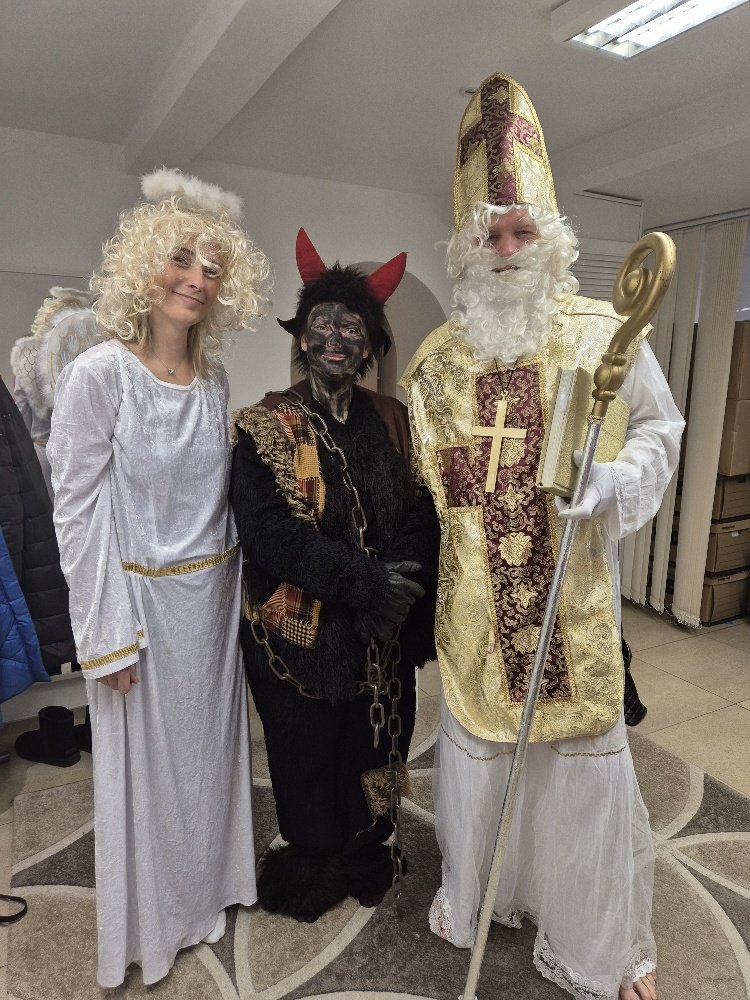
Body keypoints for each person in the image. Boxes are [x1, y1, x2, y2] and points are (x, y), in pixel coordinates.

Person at [400, 74, 685, 1000]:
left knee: (577, 774)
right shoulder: (433, 367)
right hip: (480, 614)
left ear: (551, 236)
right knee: (485, 763)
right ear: (466, 246)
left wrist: (612, 483)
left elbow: (661, 430)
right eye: (490, 235)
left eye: (521, 230)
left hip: (573, 603)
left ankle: (601, 942)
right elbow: (429, 493)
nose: (507, 250)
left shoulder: (606, 336)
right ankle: (491, 893)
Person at [48, 168, 272, 988]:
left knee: (208, 763)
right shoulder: (98, 376)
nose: (196, 280)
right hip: (139, 608)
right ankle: (155, 920)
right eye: (182, 260)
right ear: (146, 266)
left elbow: (220, 506)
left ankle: (210, 889)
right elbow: (76, 513)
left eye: (212, 269)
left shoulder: (213, 382)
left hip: (209, 609)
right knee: (149, 777)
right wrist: (106, 638)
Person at [230, 228, 439, 922]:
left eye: (353, 327)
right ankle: (312, 858)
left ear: (371, 343)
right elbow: (270, 535)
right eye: (323, 324)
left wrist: (397, 585)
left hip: (382, 633)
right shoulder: (267, 424)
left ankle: (367, 847)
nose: (337, 340)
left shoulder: (396, 420)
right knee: (305, 750)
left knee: (376, 740)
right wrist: (364, 583)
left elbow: (423, 510)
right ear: (302, 337)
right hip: (296, 636)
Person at [10, 287, 94, 499]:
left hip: (41, 455)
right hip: (80, 455)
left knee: (46, 510)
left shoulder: (27, 358)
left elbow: (21, 414)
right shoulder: (85, 357)